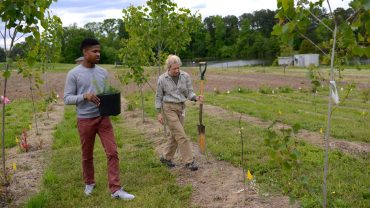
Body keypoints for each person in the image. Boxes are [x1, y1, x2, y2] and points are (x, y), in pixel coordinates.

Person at [64, 38, 135, 200]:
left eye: (99, 51)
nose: (98, 54)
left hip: (103, 119)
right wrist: (85, 96)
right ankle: (89, 182)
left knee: (112, 152)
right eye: (94, 51)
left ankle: (115, 189)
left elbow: (105, 93)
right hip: (85, 120)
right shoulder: (74, 74)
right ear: (85, 52)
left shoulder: (103, 72)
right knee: (87, 155)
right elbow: (67, 99)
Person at [155, 54, 203, 171]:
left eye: (178, 68)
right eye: (174, 68)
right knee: (181, 135)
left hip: (181, 108)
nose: (177, 70)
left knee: (175, 135)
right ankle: (189, 161)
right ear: (168, 68)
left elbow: (189, 92)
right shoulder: (162, 79)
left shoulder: (185, 76)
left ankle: (166, 157)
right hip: (169, 108)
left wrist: (196, 98)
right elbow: (158, 97)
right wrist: (159, 112)